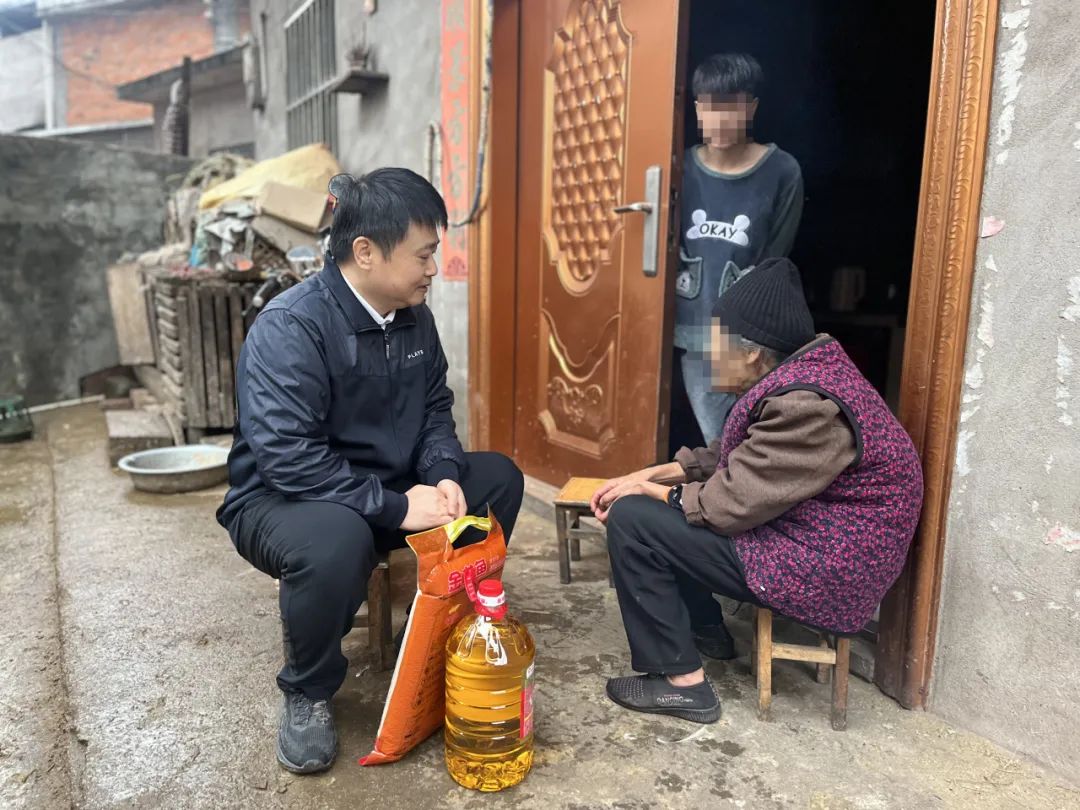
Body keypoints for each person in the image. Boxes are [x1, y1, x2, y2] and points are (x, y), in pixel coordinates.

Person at [217, 168, 524, 773]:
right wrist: (396, 507)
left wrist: (441, 474)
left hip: (389, 491)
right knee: (338, 538)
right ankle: (307, 689)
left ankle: (431, 628)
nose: (434, 268)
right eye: (424, 254)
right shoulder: (293, 326)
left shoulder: (415, 319)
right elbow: (287, 457)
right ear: (365, 251)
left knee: (499, 479)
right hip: (282, 500)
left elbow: (436, 408)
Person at [592, 258, 923, 724]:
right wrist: (652, 477)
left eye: (713, 347)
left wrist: (646, 494)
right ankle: (707, 630)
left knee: (635, 521)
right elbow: (739, 461)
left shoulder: (809, 407)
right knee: (659, 508)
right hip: (815, 542)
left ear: (750, 353)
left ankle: (680, 683)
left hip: (826, 570)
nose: (706, 358)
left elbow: (724, 506)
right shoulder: (802, 382)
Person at [675, 52, 804, 444]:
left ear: (752, 108)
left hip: (747, 338)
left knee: (746, 439)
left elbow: (775, 260)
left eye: (732, 107)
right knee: (716, 439)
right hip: (692, 329)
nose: (720, 119)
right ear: (698, 107)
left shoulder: (782, 171)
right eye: (711, 107)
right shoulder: (681, 167)